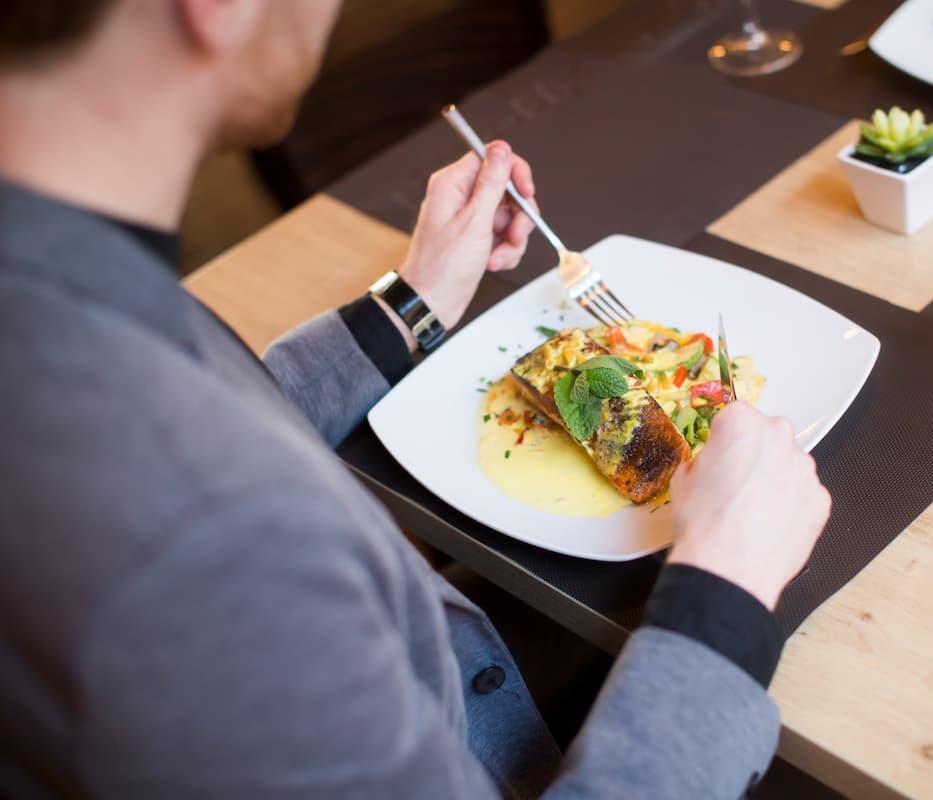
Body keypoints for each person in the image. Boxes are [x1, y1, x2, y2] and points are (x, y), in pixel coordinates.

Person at [0, 1, 832, 798]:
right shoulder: (202, 544)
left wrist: (410, 305)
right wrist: (723, 589)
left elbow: (220, 419)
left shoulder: (55, 285)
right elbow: (199, 490)